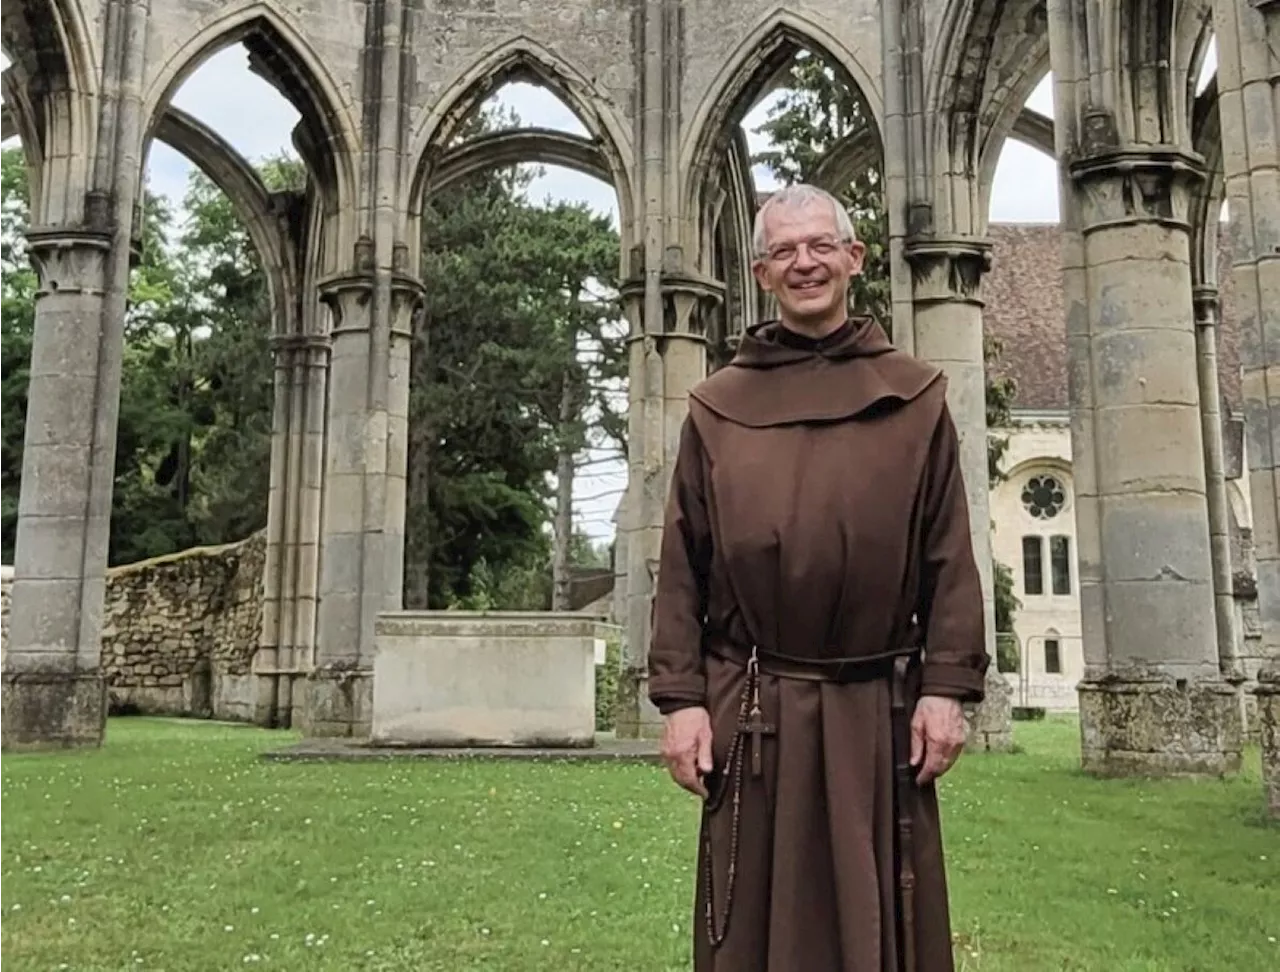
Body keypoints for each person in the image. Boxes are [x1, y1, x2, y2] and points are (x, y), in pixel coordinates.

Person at [647, 183, 989, 972]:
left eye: (821, 247)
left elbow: (948, 551)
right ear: (761, 273)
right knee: (755, 922)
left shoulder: (916, 398)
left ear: (854, 260)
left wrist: (946, 689)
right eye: (784, 252)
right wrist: (681, 700)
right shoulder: (716, 408)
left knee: (880, 910)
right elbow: (682, 566)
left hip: (879, 705)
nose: (805, 264)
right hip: (758, 704)